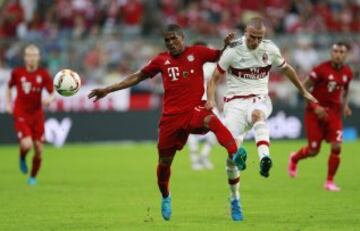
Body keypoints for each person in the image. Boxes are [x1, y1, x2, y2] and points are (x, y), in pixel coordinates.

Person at [88, 24, 247, 221]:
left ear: (183, 37)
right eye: (167, 40)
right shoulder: (161, 60)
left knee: (210, 118)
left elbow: (220, 57)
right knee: (164, 164)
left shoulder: (197, 52)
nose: (171, 43)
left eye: (174, 39)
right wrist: (108, 89)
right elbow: (138, 76)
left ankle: (236, 152)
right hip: (170, 119)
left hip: (193, 111)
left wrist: (225, 46)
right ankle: (166, 196)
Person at [206, 17, 317, 219]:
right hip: (235, 104)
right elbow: (214, 78)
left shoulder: (270, 49)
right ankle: (235, 199)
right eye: (252, 37)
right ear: (245, 33)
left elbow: (287, 69)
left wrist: (303, 91)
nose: (255, 41)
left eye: (259, 37)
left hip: (259, 99)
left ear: (264, 36)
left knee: (258, 115)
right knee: (231, 157)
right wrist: (211, 100)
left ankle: (264, 158)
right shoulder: (232, 50)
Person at [288, 42, 353, 192]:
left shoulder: (347, 73)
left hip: (334, 114)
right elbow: (303, 88)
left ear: (346, 55)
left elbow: (345, 91)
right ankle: (294, 158)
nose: (338, 54)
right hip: (315, 114)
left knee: (336, 146)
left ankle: (329, 181)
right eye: (336, 51)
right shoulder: (321, 70)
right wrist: (315, 106)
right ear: (331, 53)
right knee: (313, 151)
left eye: (342, 52)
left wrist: (346, 106)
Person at [6, 44, 55, 186]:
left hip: (37, 115)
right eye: (29, 55)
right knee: (27, 144)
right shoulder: (17, 73)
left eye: (34, 55)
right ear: (25, 58)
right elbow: (8, 88)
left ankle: (32, 177)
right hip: (21, 112)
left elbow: (52, 93)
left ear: (39, 57)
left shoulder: (43, 74)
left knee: (39, 149)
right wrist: (8, 104)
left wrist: (49, 100)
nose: (32, 58)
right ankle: (22, 157)